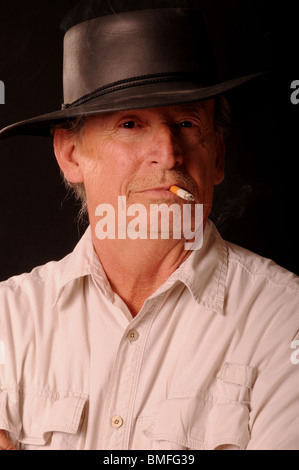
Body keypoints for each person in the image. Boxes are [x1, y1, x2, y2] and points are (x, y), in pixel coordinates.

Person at [0, 3, 298, 451]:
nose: (168, 153)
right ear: (70, 154)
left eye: (185, 123)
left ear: (216, 155)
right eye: (131, 124)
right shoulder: (9, 322)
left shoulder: (284, 319)